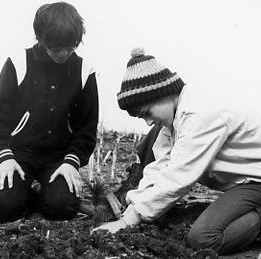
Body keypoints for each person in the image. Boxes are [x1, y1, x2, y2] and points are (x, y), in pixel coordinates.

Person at [93, 48, 261, 255]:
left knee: (204, 239)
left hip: (257, 181)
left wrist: (129, 220)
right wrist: (133, 206)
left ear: (162, 93)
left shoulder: (200, 113)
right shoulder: (175, 119)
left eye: (147, 113)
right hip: (246, 183)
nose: (147, 123)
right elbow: (160, 167)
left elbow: (179, 176)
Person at [0, 2, 99, 223]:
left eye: (71, 47)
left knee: (62, 208)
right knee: (2, 210)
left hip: (59, 158)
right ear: (40, 37)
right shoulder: (18, 62)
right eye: (56, 48)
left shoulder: (85, 71)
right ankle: (26, 194)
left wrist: (71, 162)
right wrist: (4, 157)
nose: (64, 54)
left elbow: (87, 127)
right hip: (19, 155)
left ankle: (46, 196)